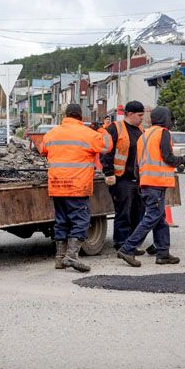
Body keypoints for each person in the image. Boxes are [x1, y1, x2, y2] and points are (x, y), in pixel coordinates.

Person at [42, 104, 113, 272]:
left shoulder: (51, 133)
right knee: (81, 221)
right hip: (77, 186)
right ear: (81, 116)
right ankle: (72, 256)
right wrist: (102, 129)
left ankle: (60, 258)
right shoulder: (89, 134)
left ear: (66, 115)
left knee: (61, 221)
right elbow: (107, 147)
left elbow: (43, 150)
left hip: (57, 185)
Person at [117, 107, 185, 267]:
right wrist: (183, 160)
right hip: (156, 183)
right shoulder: (163, 132)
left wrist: (140, 180)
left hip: (146, 183)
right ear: (165, 118)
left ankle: (163, 253)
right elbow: (168, 157)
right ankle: (128, 248)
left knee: (159, 218)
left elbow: (137, 164)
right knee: (153, 216)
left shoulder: (145, 135)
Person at [102, 101, 147, 253]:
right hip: (121, 179)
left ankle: (132, 244)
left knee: (138, 212)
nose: (142, 118)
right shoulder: (115, 129)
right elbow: (106, 151)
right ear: (129, 114)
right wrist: (109, 173)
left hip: (137, 179)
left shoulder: (140, 130)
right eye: (140, 115)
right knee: (123, 213)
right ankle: (121, 243)